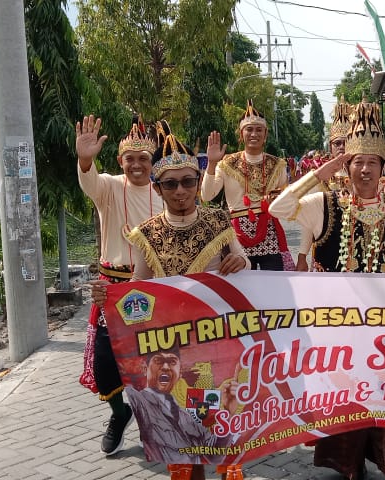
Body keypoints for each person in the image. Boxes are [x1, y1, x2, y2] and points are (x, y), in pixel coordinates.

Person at [269, 101, 385, 480]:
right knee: (346, 399)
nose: (365, 169)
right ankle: (348, 466)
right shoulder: (325, 204)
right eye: (357, 162)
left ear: (383, 169)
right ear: (347, 166)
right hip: (338, 329)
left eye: (373, 162)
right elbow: (276, 208)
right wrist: (319, 174)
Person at [93, 122, 250, 480]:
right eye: (171, 184)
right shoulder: (146, 233)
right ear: (158, 188)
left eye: (188, 182)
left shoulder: (218, 221)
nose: (181, 191)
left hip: (217, 341)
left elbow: (244, 263)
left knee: (221, 423)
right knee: (182, 432)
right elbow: (138, 287)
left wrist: (242, 261)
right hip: (171, 348)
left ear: (198, 182)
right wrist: (110, 298)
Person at [75, 115, 163, 455]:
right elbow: (89, 181)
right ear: (120, 160)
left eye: (143, 158)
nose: (137, 164)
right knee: (105, 364)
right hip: (111, 288)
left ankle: (154, 420)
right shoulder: (110, 187)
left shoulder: (163, 193)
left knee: (152, 360)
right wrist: (85, 158)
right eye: (131, 158)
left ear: (151, 161)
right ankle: (118, 413)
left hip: (153, 289)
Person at [202, 100, 292, 271]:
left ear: (265, 135)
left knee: (274, 283)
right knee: (240, 284)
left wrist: (277, 200)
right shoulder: (226, 163)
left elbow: (286, 202)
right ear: (241, 134)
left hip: (269, 232)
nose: (254, 134)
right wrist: (212, 163)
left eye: (259, 130)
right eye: (249, 129)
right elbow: (207, 196)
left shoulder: (277, 164)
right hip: (237, 233)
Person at [126, 346, 239, 466]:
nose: (165, 367)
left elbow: (215, 455)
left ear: (180, 373)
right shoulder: (139, 399)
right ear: (145, 368)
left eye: (172, 362)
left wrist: (229, 413)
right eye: (158, 361)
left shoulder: (184, 414)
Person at [296, 97, 354, 272]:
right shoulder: (320, 176)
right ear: (330, 147)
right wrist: (301, 256)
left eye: (347, 142)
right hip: (325, 250)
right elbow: (308, 222)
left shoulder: (364, 176)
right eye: (338, 143)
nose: (342, 147)